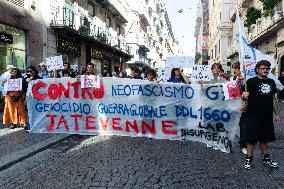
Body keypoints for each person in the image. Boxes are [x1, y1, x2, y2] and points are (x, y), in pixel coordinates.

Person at [242, 60, 280, 170]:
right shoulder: (250, 82)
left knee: (265, 138)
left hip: (267, 116)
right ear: (257, 70)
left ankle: (266, 158)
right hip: (252, 115)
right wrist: (244, 97)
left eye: (267, 68)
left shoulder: (271, 82)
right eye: (263, 68)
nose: (266, 70)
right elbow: (243, 97)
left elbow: (273, 100)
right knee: (251, 139)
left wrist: (276, 114)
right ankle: (249, 158)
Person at [232, 62, 247, 155]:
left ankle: (243, 145)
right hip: (234, 106)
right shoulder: (233, 79)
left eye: (236, 69)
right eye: (234, 68)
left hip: (244, 106)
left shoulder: (246, 80)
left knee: (243, 126)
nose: (234, 71)